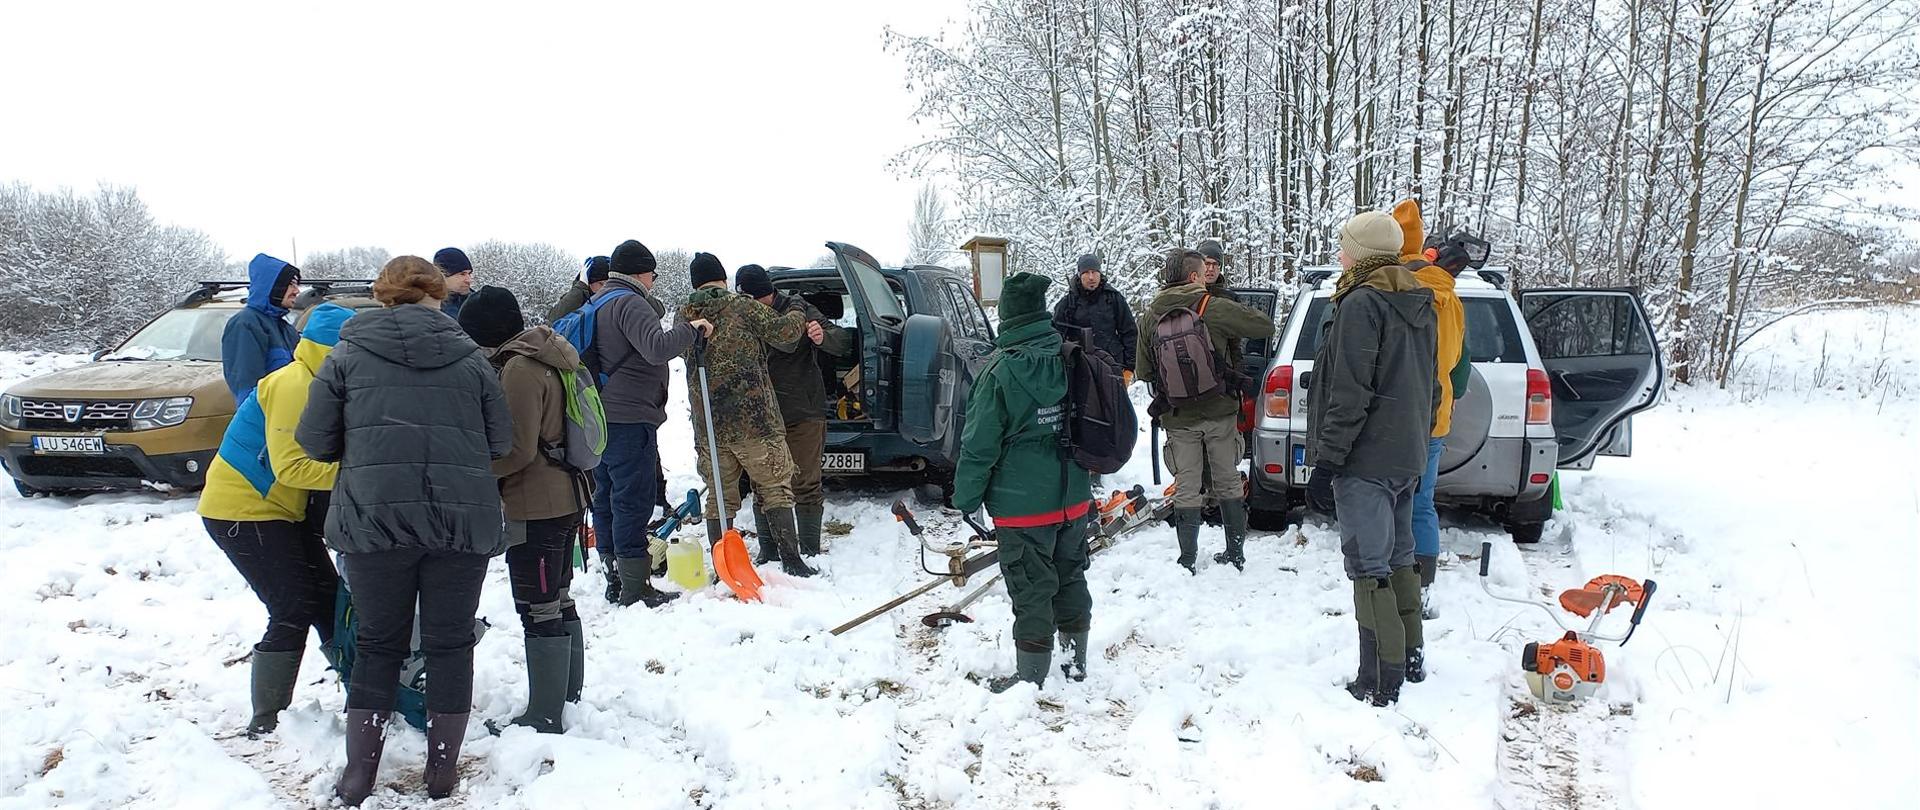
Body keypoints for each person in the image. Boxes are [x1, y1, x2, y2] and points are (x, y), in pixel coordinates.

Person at [297, 256, 513, 806]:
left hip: (374, 521)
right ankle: (442, 775)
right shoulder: (471, 359)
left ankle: (358, 776)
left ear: (384, 295)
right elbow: (499, 442)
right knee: (450, 644)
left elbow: (314, 440)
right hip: (459, 521)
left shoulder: (346, 355)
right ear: (438, 294)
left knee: (377, 644)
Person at [197, 302, 355, 737]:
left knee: (328, 598)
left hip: (282, 511)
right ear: (336, 349)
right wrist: (361, 474)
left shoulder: (323, 382)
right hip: (242, 510)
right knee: (291, 607)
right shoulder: (296, 385)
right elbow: (292, 468)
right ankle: (267, 718)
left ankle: (366, 692)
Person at [1303, 211, 1439, 708]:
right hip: (1406, 454)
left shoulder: (1362, 303)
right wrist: (1417, 441)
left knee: (1368, 564)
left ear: (1361, 254)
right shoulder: (1418, 299)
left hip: (1365, 458)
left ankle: (1378, 677)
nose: (1340, 255)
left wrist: (1328, 462)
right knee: (1400, 555)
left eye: (1344, 247)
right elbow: (1435, 387)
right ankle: (1410, 657)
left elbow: (1349, 391)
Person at [953, 271, 1096, 692]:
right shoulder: (1070, 356)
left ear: (1009, 316)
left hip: (1022, 504)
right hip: (1073, 495)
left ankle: (1031, 679)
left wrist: (967, 497)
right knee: (1070, 573)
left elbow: (979, 444)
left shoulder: (999, 371)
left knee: (1031, 585)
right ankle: (1074, 662)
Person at [457, 286, 590, 735]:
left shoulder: (519, 368)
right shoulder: (549, 353)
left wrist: (473, 471)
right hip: (567, 493)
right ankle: (567, 695)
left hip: (537, 502)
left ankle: (545, 714)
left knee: (538, 604)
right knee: (558, 596)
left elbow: (517, 451)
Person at [1134, 249, 1274, 573]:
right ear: (1195, 277)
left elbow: (1143, 371)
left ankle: (1187, 560)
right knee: (1226, 481)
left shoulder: (1150, 315)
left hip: (1178, 416)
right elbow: (1264, 326)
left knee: (1187, 484)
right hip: (1220, 411)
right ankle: (1235, 553)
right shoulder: (1213, 306)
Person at [680, 252, 815, 577]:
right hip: (755, 421)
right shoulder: (741, 305)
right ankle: (791, 561)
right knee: (774, 488)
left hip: (710, 425)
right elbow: (785, 333)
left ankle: (721, 564)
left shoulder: (683, 315)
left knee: (720, 498)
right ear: (722, 278)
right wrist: (797, 307)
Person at [590, 239, 710, 606]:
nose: (654, 281)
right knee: (632, 501)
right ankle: (635, 587)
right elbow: (656, 347)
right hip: (629, 417)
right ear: (641, 272)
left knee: (606, 498)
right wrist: (692, 330)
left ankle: (614, 575)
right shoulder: (630, 302)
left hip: (600, 418)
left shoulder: (597, 302)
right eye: (653, 274)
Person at [1391, 202, 1471, 649]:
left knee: (1386, 500)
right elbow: (1459, 370)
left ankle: (1388, 583)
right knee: (1421, 503)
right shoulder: (1450, 296)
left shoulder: (1388, 286)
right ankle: (1421, 585)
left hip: (1391, 418)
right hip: (1434, 420)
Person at [736, 264, 851, 562]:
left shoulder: (798, 309)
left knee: (805, 483)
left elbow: (842, 341)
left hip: (802, 410)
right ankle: (769, 550)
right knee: (764, 484)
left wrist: (821, 336)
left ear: (770, 294)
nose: (754, 307)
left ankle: (810, 551)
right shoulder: (742, 311)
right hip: (761, 414)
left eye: (758, 300)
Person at [221, 253, 301, 400]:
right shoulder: (246, 324)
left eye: (296, 284)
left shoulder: (286, 329)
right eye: (291, 284)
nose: (297, 291)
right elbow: (247, 391)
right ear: (272, 286)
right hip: (267, 420)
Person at [1049, 253, 1137, 384]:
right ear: (1079, 275)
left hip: (1113, 367)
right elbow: (1056, 338)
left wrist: (1129, 368)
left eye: (1094, 272)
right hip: (1080, 370)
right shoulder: (1067, 304)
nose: (1091, 277)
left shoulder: (1114, 298)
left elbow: (1130, 333)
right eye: (1086, 272)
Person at [548, 255, 611, 323]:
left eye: (609, 284)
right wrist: (581, 287)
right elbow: (553, 321)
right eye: (601, 284)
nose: (605, 288)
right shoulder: (574, 299)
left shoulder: (613, 301)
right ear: (588, 282)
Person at [433, 247, 475, 320]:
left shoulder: (478, 303)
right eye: (462, 274)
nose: (469, 280)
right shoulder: (428, 307)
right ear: (443, 276)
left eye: (469, 274)